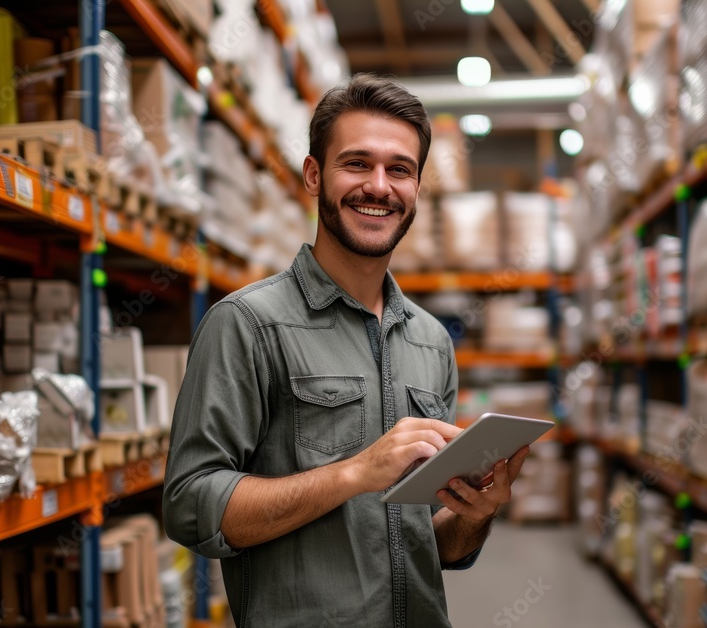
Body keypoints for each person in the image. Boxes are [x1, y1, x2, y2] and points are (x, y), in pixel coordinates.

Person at [163, 73, 530, 627]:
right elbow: (191, 505)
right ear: (314, 175)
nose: (379, 186)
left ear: (417, 189)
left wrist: (478, 513)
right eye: (357, 163)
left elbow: (432, 544)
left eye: (399, 169)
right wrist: (355, 473)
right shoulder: (246, 324)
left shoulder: (431, 341)